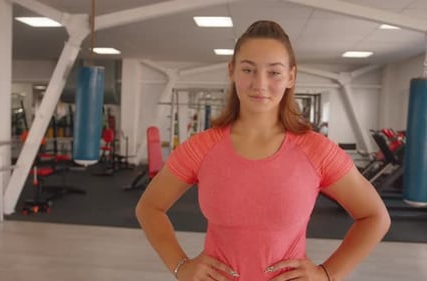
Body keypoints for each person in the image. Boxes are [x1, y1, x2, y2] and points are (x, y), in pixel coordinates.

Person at [135, 20, 390, 281]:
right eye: (248, 69)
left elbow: (375, 216)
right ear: (232, 71)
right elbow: (149, 207)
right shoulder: (202, 148)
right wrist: (181, 266)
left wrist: (327, 274)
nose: (260, 83)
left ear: (291, 76)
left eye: (274, 72)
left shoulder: (316, 150)